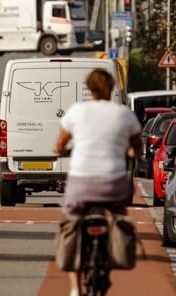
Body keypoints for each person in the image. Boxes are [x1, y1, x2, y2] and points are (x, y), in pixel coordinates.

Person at [53, 69, 143, 296]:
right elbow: (137, 146)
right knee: (119, 214)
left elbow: (60, 143)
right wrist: (132, 152)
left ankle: (75, 289)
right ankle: (114, 245)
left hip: (81, 182)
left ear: (89, 89)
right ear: (112, 87)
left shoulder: (77, 111)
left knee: (71, 222)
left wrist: (60, 150)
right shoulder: (124, 114)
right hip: (113, 182)